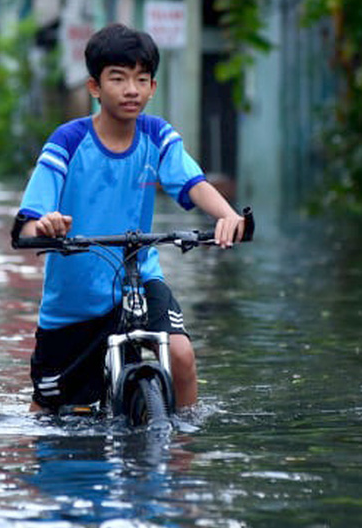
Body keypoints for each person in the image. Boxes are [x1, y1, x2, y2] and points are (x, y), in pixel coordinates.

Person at [14, 23, 245, 414]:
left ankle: (182, 459)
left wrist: (228, 216)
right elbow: (27, 223)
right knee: (48, 412)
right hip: (74, 298)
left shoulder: (157, 136)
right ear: (94, 87)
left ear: (153, 87)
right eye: (118, 78)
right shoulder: (67, 142)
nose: (132, 89)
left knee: (182, 354)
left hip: (139, 279)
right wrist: (45, 226)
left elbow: (192, 181)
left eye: (142, 79)